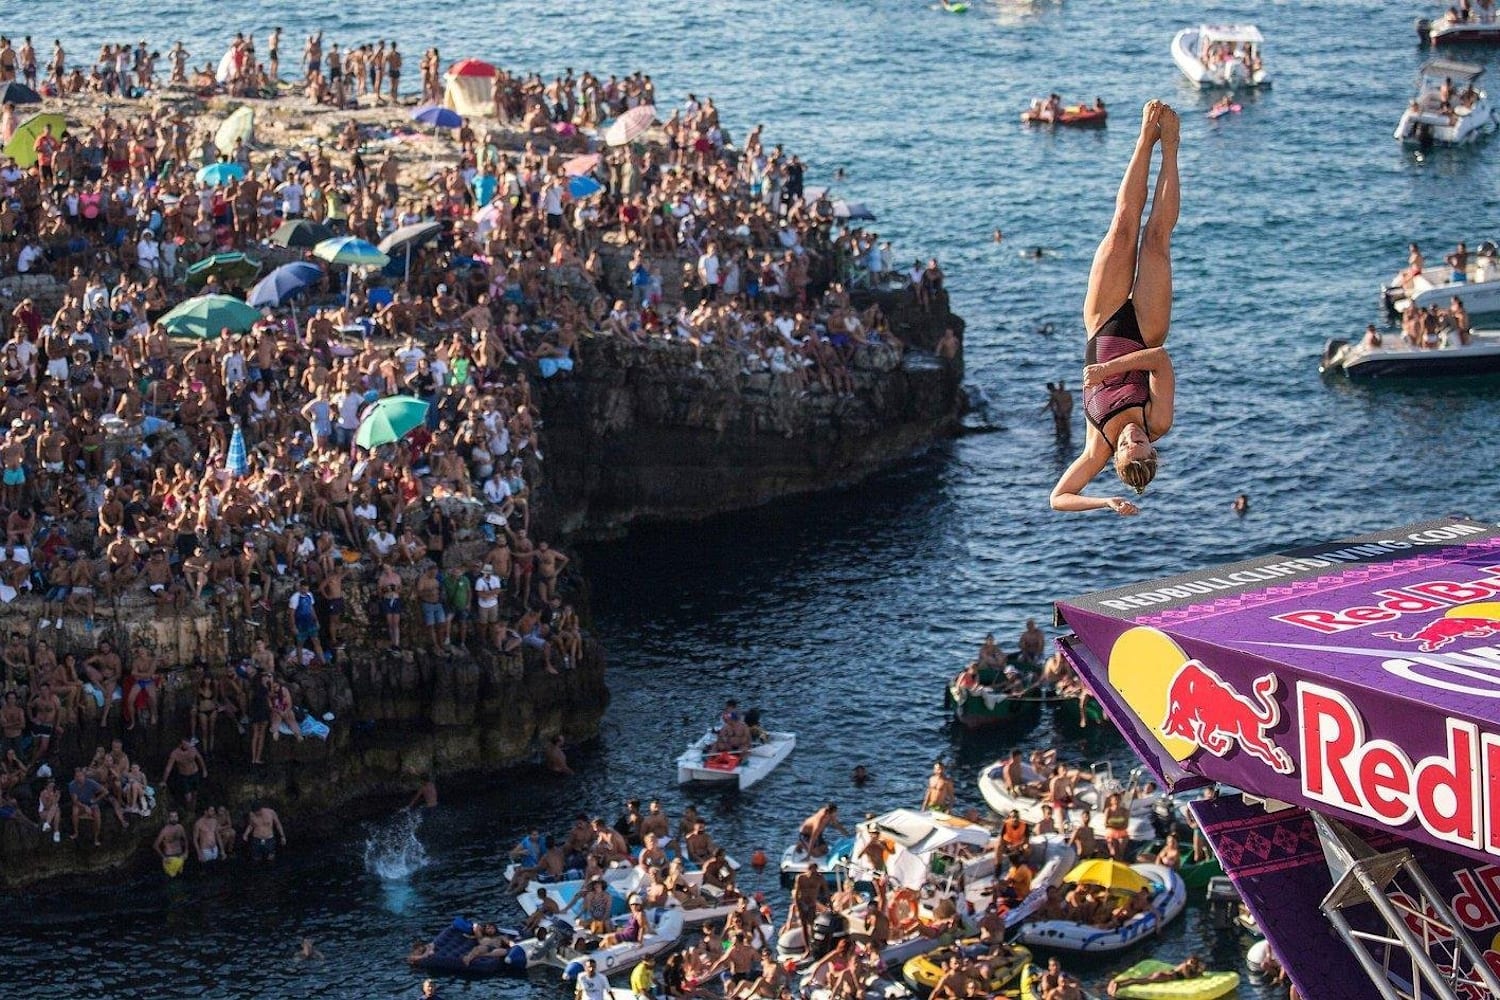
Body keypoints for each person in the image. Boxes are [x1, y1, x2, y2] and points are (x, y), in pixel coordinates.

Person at [1051, 101, 1179, 515]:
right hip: (1145, 330)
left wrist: (1102, 500)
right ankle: (1171, 148)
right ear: (1152, 450)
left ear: (1117, 459)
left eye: (1126, 447)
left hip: (1102, 323)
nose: (1130, 439)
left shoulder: (1097, 446)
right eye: (1139, 444)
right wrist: (1108, 372)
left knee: (1123, 224)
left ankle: (1145, 139)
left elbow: (1058, 499)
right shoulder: (1157, 420)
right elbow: (1160, 361)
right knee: (1155, 238)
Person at [1108, 954, 1204, 996]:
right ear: (1189, 961)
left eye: (1193, 962)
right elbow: (1188, 977)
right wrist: (1198, 973)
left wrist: (1198, 972)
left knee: (1139, 980)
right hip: (1164, 977)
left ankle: (1117, 982)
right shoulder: (1185, 967)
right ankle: (1118, 985)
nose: (1191, 963)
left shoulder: (1185, 965)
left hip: (1163, 975)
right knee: (1138, 981)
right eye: (1191, 962)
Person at [154, 809, 188, 877]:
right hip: (169, 858)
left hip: (180, 856)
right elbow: (155, 845)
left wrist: (186, 851)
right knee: (171, 880)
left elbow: (185, 839)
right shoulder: (165, 830)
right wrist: (163, 857)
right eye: (172, 817)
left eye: (175, 816)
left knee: (181, 877)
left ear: (178, 817)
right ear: (169, 818)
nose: (174, 818)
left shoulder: (180, 827)